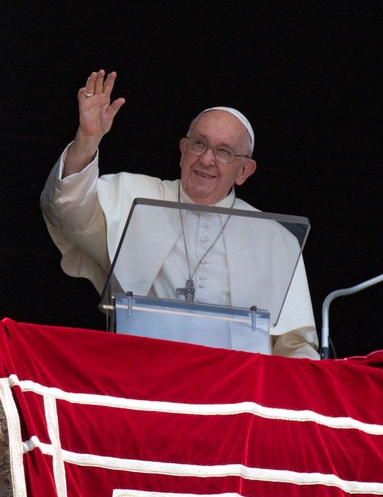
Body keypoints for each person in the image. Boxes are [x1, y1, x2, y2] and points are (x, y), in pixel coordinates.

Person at [40, 70, 318, 359]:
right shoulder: (136, 195)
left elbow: (296, 346)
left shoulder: (273, 237)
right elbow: (65, 210)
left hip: (238, 390)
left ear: (244, 171)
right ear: (183, 150)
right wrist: (87, 138)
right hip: (144, 370)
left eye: (224, 152)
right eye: (199, 144)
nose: (207, 160)